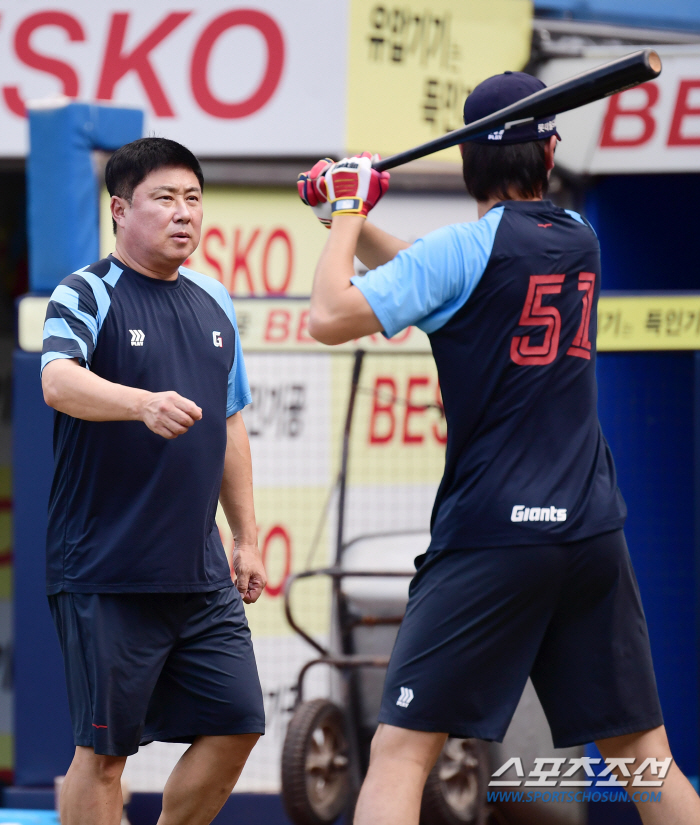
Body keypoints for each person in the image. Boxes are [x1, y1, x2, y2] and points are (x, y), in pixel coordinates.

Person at [297, 72, 700, 825]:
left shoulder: (462, 254)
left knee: (399, 755)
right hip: (589, 531)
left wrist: (348, 208)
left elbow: (326, 315)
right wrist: (350, 218)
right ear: (547, 157)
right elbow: (444, 272)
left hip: (493, 535)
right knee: (646, 760)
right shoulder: (580, 237)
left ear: (465, 165)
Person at [41, 137, 266, 825]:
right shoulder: (86, 291)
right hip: (108, 569)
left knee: (238, 724)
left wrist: (247, 537)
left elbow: (228, 426)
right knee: (104, 757)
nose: (184, 213)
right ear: (119, 209)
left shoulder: (214, 302)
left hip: (199, 575)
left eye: (193, 199)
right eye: (164, 198)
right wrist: (140, 402)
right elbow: (56, 379)